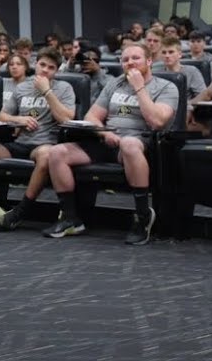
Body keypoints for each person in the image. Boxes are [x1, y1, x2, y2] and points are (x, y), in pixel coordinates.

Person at [45, 43, 178, 245]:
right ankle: (71, 218)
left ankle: (142, 216)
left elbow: (157, 121)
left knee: (130, 144)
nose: (130, 63)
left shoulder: (166, 87)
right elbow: (92, 116)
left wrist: (139, 87)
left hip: (141, 144)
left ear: (149, 61)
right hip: (107, 141)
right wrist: (105, 132)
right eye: (125, 60)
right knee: (56, 153)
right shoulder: (115, 84)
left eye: (135, 58)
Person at [0, 50, 76, 231]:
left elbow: (66, 119)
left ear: (56, 71)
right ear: (36, 65)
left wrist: (47, 91)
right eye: (42, 65)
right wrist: (19, 120)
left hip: (45, 143)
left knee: (46, 154)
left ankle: (20, 211)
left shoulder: (64, 88)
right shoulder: (22, 87)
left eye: (51, 68)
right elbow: (2, 116)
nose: (45, 70)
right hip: (20, 142)